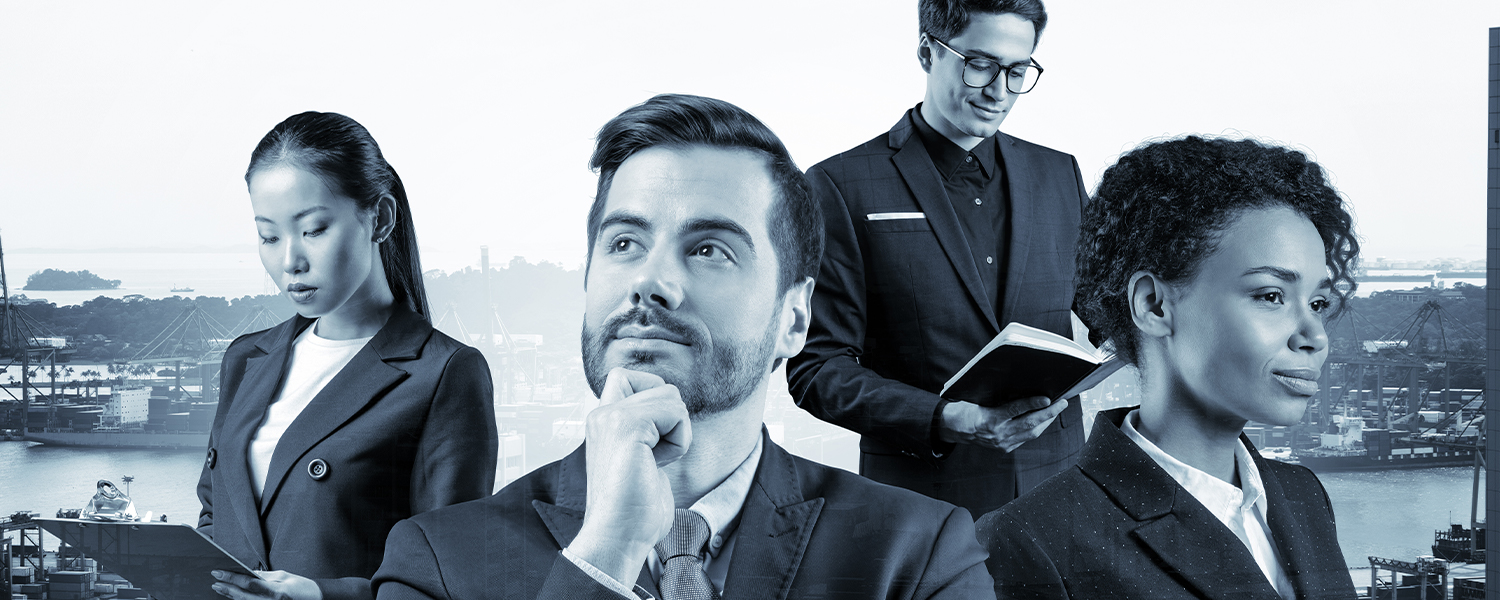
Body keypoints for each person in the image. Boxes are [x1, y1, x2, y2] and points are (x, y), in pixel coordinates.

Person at [371, 94, 994, 600]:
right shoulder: (437, 564)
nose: (649, 282)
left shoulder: (917, 557)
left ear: (795, 317)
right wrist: (606, 554)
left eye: (709, 250)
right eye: (624, 244)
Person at [976, 136, 1360, 599]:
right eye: (1271, 296)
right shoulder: (1032, 538)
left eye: (1317, 302)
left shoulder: (1303, 495)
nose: (1315, 336)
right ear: (1154, 305)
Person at [787, 0, 1086, 517]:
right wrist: (949, 418)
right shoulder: (840, 185)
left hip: (1058, 495)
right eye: (980, 64)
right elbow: (817, 368)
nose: (998, 91)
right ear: (928, 52)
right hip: (921, 506)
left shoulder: (1059, 174)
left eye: (1018, 71)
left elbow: (1110, 314)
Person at [197, 112, 499, 600]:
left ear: (379, 218)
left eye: (314, 229)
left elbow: (451, 572)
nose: (290, 260)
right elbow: (214, 515)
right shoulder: (246, 359)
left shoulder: (443, 373)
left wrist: (320, 595)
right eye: (269, 236)